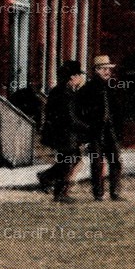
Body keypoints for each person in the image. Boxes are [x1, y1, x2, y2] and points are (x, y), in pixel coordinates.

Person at [38, 61, 88, 202]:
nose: (80, 78)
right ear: (73, 77)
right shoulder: (65, 94)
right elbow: (70, 117)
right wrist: (86, 127)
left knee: (72, 160)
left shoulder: (62, 91)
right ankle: (59, 192)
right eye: (79, 75)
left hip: (64, 133)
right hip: (64, 134)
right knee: (68, 162)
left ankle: (47, 178)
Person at [79, 54, 125, 201]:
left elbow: (118, 110)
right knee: (97, 163)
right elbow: (81, 111)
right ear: (96, 70)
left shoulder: (112, 87)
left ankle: (115, 192)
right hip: (95, 131)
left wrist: (118, 130)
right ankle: (98, 193)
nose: (107, 72)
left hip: (110, 130)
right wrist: (88, 128)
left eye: (108, 69)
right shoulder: (88, 89)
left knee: (116, 161)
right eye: (104, 69)